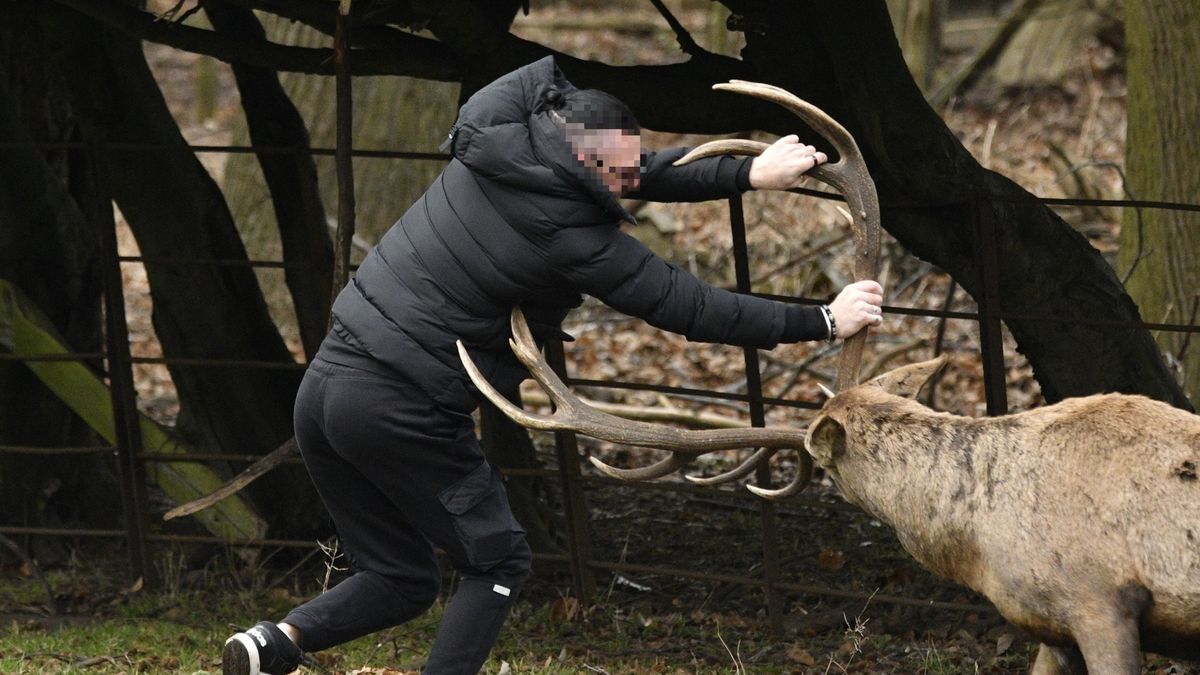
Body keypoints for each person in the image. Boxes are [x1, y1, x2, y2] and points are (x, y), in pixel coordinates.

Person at [221, 56, 884, 675]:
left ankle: (272, 645)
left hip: (327, 385)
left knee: (400, 576)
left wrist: (745, 173)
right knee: (500, 558)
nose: (632, 178)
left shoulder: (493, 134)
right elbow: (693, 306)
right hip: (402, 404)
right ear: (586, 160)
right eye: (618, 168)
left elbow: (621, 159)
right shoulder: (574, 241)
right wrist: (823, 319)